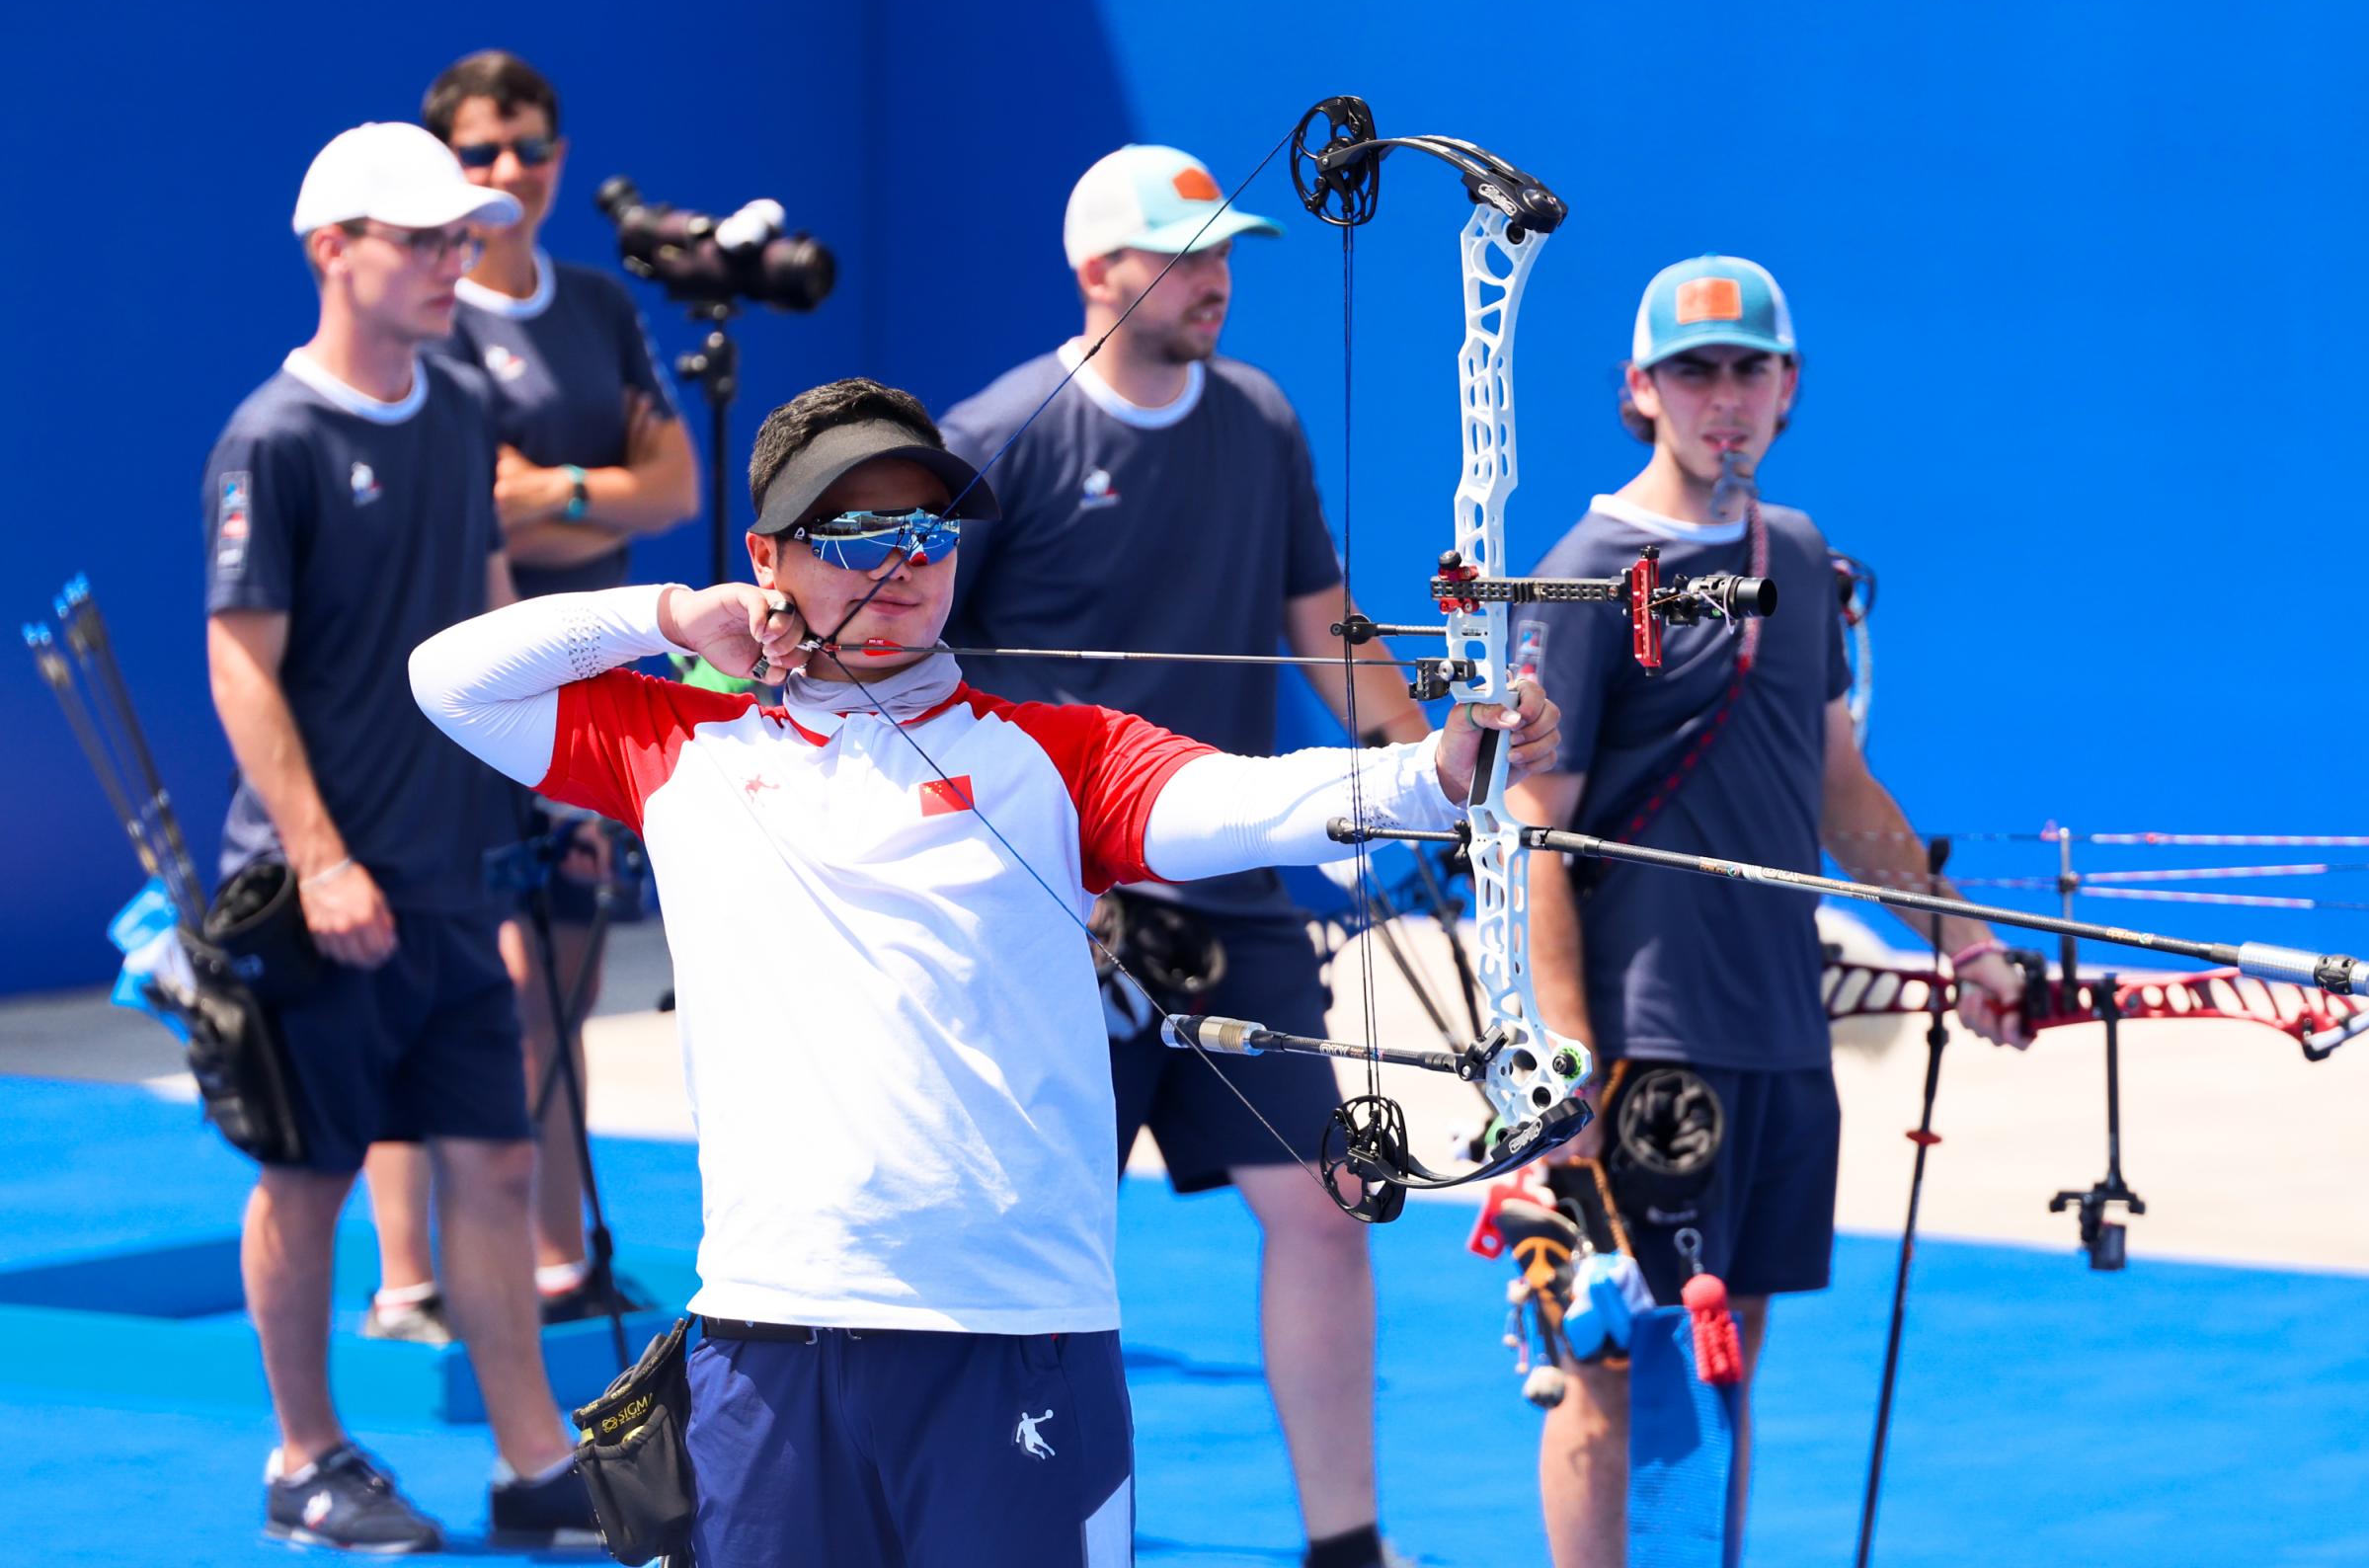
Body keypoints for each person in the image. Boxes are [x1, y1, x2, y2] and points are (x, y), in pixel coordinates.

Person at [406, 376, 1561, 1568]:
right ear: (768, 557)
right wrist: (668, 615)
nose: (902, 561)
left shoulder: (1053, 757)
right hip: (764, 1329)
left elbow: (1251, 802)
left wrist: (1437, 767)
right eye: (855, 533)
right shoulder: (678, 744)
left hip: (1014, 1332)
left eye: (930, 531)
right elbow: (447, 679)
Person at [938, 144, 1433, 1568]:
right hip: (1047, 922)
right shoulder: (1000, 434)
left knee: (1330, 1208)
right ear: (1096, 272)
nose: (1214, 280)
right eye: (1184, 254)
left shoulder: (1259, 417)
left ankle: (1347, 1543)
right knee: (1039, 1261)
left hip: (1234, 907)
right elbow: (913, 682)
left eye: (1223, 254)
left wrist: (1428, 773)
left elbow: (1322, 621)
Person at [1506, 255, 2027, 1566]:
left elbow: (1836, 788)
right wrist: (1563, 1064)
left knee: (1721, 1369)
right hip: (1646, 1052)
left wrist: (1955, 934)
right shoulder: (1584, 576)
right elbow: (1536, 842)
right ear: (1639, 391)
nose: (1721, 399)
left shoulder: (1793, 556)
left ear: (1787, 386)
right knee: (1620, 1375)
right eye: (1693, 373)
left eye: (1746, 369)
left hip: (1778, 1045)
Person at [200, 120, 596, 1552]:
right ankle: (305, 1458)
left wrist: (546, 790)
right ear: (332, 252)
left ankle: (538, 1465)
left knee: (492, 1163)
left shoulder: (453, 407)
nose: (454, 261)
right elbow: (240, 662)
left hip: (447, 878)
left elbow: (492, 618)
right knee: (306, 1174)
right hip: (319, 892)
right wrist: (317, 858)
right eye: (421, 240)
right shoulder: (274, 436)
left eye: (458, 238)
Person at [355, 49, 700, 1347]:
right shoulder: (423, 326)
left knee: (558, 972)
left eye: (532, 147)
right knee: (455, 975)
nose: (511, 175)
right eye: (482, 154)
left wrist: (551, 493)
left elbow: (668, 496)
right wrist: (580, 492)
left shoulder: (600, 307)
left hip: (583, 688)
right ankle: (411, 1277)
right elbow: (452, 531)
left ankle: (557, 1257)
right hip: (455, 694)